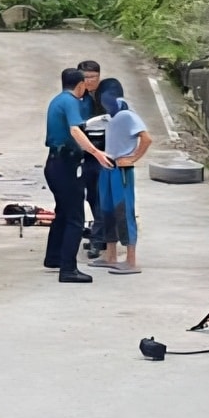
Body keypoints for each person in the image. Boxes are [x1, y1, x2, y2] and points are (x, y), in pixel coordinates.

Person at [44, 68, 112, 283]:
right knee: (75, 218)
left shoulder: (57, 100)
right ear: (80, 85)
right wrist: (97, 152)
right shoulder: (71, 101)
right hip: (66, 164)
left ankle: (54, 257)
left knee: (63, 212)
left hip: (54, 163)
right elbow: (75, 130)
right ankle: (68, 269)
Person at [90, 86, 151, 274]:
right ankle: (111, 255)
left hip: (121, 170)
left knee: (123, 211)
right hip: (107, 166)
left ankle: (131, 261)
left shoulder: (127, 115)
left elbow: (146, 138)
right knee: (106, 210)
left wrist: (133, 158)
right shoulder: (111, 117)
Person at [76, 61, 107, 259]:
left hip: (104, 154)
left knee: (101, 198)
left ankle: (98, 239)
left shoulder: (106, 98)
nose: (88, 81)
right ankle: (100, 234)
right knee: (92, 197)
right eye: (85, 77)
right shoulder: (78, 98)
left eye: (92, 77)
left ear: (99, 77)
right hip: (86, 155)